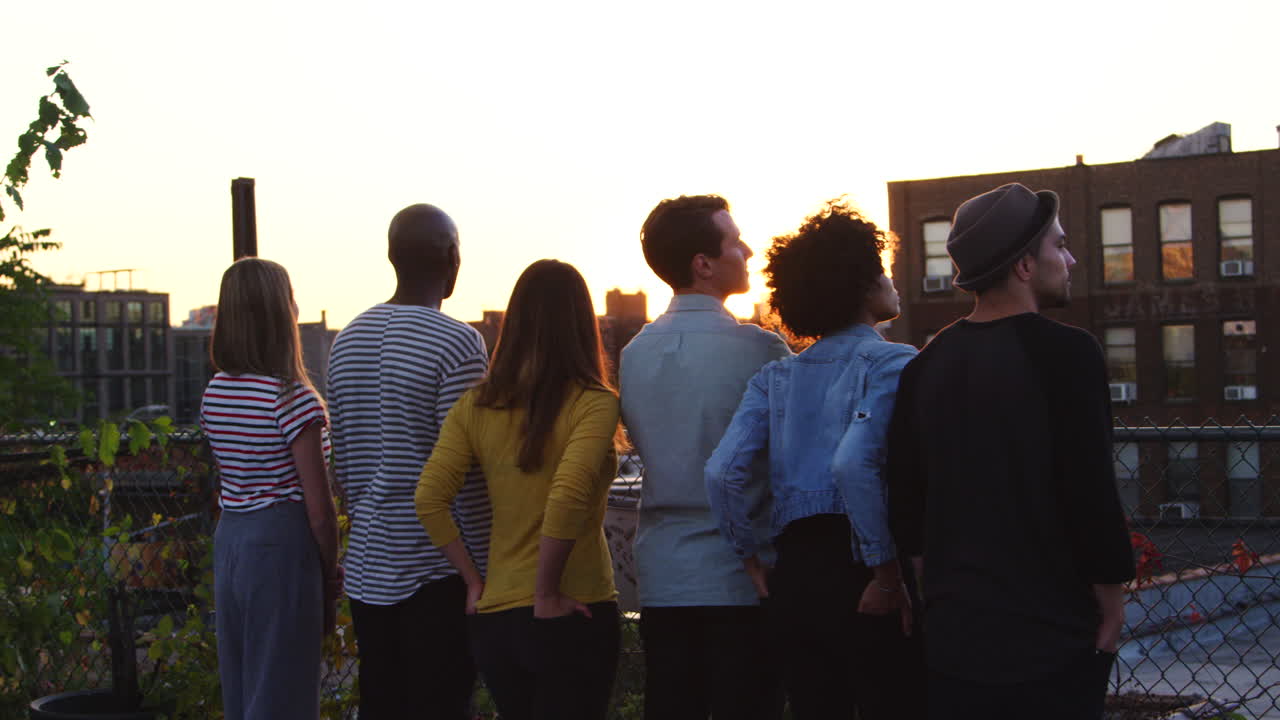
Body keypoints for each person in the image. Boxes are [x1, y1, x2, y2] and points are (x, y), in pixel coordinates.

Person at [885, 183, 1135, 719]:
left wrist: (932, 596)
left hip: (955, 641)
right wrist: (1112, 603)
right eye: (1059, 246)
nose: (1070, 259)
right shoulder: (1069, 354)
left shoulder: (924, 366)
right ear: (1024, 265)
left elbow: (906, 501)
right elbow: (1089, 488)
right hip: (1050, 635)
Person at [705, 200, 920, 720]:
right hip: (863, 568)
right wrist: (886, 574)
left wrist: (750, 556)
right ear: (863, 285)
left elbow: (722, 471)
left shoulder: (775, 377)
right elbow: (854, 464)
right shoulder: (895, 362)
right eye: (882, 269)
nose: (891, 280)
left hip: (794, 573)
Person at [415, 259, 621, 720]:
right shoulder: (593, 403)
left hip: (497, 620)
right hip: (573, 609)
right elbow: (567, 496)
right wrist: (546, 593)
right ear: (581, 325)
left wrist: (473, 581)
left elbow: (428, 497)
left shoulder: (476, 405)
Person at [620, 194, 790, 720]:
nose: (749, 251)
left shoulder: (633, 354)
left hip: (663, 577)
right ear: (704, 264)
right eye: (735, 241)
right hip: (744, 576)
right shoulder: (761, 350)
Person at [326, 204, 490, 719]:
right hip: (437, 570)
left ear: (392, 257)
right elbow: (464, 472)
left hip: (368, 569)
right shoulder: (458, 343)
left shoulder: (346, 340)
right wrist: (482, 571)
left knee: (382, 702)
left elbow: (342, 468)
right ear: (452, 258)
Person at [201, 258, 339, 720]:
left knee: (243, 682)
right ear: (280, 313)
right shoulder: (292, 399)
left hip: (232, 538)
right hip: (281, 546)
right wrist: (328, 574)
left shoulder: (216, 392)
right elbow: (320, 510)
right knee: (282, 688)